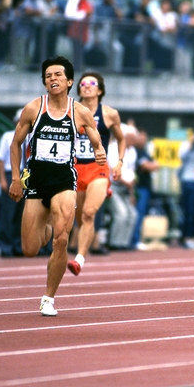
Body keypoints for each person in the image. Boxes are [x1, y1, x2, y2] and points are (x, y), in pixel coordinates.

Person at [8, 56, 105, 316]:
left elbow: (95, 137)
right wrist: (16, 179)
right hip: (37, 178)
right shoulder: (33, 109)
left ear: (69, 81)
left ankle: (49, 297)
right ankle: (48, 227)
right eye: (48, 75)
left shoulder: (80, 111)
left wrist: (100, 152)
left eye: (58, 75)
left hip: (64, 179)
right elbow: (15, 143)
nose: (52, 79)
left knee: (62, 240)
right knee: (29, 249)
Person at [67, 72, 125, 276]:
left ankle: (79, 260)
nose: (86, 86)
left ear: (99, 90)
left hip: (97, 169)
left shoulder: (109, 114)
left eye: (91, 83)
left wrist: (119, 162)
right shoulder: (70, 110)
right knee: (80, 220)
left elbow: (121, 139)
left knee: (89, 214)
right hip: (74, 169)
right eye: (82, 83)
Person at [0, 108, 25, 256]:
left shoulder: (30, 136)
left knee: (22, 214)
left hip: (26, 174)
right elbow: (1, 159)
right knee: (8, 213)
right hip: (10, 173)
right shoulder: (8, 136)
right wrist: (2, 179)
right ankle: (6, 246)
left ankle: (19, 246)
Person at [130, 130, 158, 250]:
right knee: (137, 214)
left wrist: (152, 165)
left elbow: (156, 165)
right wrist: (151, 166)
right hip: (139, 187)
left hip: (146, 187)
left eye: (145, 137)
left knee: (141, 215)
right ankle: (133, 240)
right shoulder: (136, 152)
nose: (143, 139)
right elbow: (146, 166)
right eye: (141, 137)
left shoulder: (145, 152)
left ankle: (137, 239)